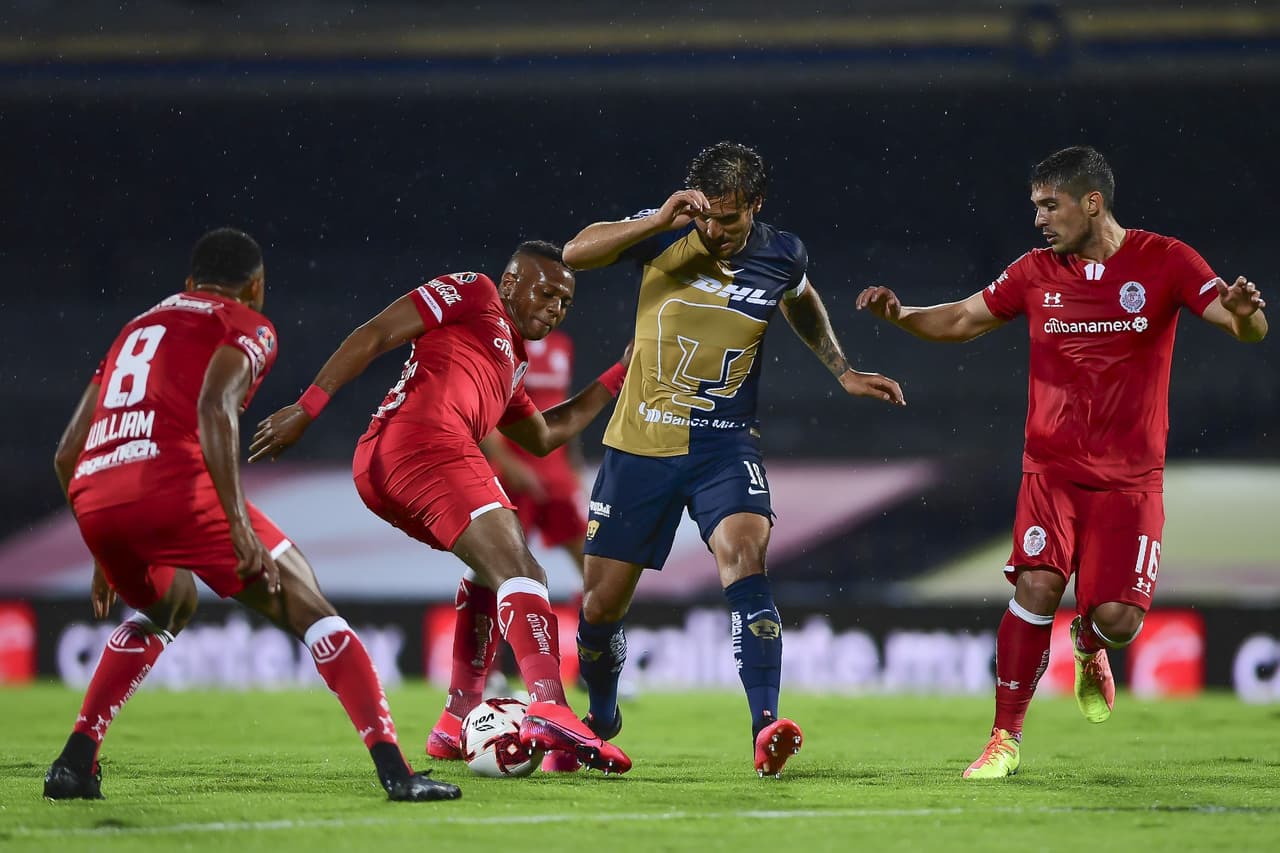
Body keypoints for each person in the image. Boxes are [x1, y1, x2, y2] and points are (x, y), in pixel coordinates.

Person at [855, 145, 1268, 779]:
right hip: (1051, 469)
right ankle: (1004, 739)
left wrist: (1245, 317)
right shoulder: (1033, 272)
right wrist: (902, 316)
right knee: (1037, 586)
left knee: (1120, 621)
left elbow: (1241, 325)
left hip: (1131, 480)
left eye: (1051, 205)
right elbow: (963, 319)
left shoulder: (1165, 260)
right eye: (1036, 207)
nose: (1041, 219)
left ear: (1092, 202)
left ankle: (1090, 641)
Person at [45, 227, 459, 803]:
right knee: (311, 608)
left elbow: (67, 452)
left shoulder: (135, 328)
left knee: (172, 601)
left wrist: (100, 546)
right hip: (175, 484)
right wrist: (237, 525)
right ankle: (395, 771)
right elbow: (215, 406)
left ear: (188, 283)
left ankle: (75, 760)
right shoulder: (245, 323)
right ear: (257, 287)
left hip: (95, 496)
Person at [561, 141, 906, 777]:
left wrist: (843, 369)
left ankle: (765, 726)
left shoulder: (783, 252)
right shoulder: (670, 228)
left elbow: (800, 298)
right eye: (709, 218)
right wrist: (661, 220)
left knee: (746, 555)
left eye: (731, 219)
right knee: (601, 606)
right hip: (642, 442)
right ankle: (601, 719)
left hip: (725, 442)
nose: (716, 231)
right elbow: (575, 253)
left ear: (757, 207)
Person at [249, 241, 633, 775]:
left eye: (565, 302)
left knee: (492, 568)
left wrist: (619, 373)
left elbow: (546, 435)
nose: (555, 307)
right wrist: (307, 407)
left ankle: (455, 719)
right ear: (510, 282)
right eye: (546, 292)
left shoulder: (512, 363)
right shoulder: (475, 293)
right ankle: (550, 704)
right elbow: (376, 333)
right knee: (523, 569)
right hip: (423, 443)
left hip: (390, 465)